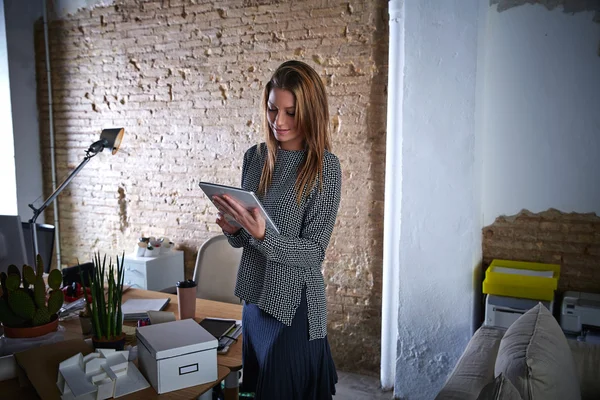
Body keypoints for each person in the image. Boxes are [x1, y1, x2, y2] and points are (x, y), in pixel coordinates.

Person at [212, 60, 341, 399]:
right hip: (255, 299)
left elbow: (314, 252)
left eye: (291, 112)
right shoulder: (254, 158)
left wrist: (263, 236)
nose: (278, 121)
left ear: (310, 112)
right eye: (272, 109)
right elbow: (246, 239)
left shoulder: (324, 167)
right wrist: (233, 229)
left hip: (295, 308)